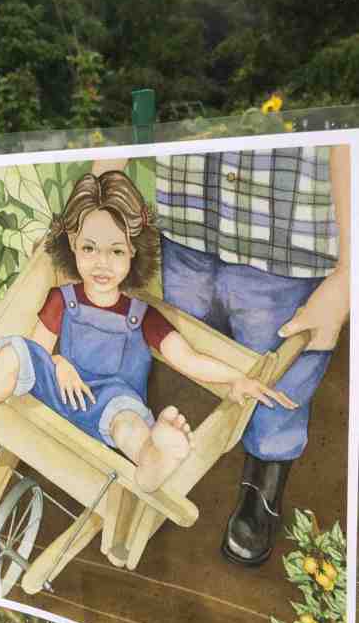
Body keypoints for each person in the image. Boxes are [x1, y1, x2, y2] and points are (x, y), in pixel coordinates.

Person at [92, 146, 350, 565]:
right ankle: (178, 455)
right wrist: (93, 205)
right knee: (191, 351)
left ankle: (263, 479)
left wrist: (347, 273)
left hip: (285, 236)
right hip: (189, 217)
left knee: (278, 376)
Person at [0, 170, 296, 495]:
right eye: (90, 248)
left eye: (116, 251)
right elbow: (36, 353)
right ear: (73, 244)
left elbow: (189, 358)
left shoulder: (143, 316)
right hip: (63, 389)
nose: (102, 263)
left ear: (133, 252)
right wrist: (60, 363)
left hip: (112, 405)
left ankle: (154, 459)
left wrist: (236, 378)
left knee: (129, 424)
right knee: (14, 353)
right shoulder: (62, 299)